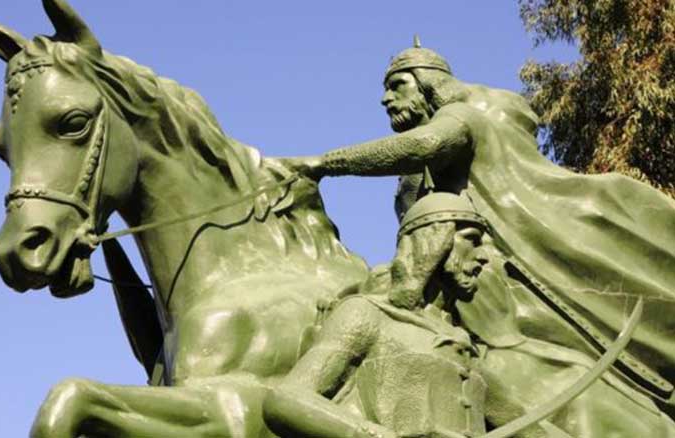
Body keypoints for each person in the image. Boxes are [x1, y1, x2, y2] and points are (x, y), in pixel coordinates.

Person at [283, 37, 675, 420]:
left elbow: (427, 144)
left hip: (492, 263)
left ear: (427, 83)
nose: (386, 99)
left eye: (397, 85)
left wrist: (324, 163)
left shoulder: (462, 117)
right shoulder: (417, 181)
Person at [263, 193, 489, 438]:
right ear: (434, 239)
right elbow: (287, 398)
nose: (483, 257)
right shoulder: (367, 312)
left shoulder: (466, 343)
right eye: (472, 239)